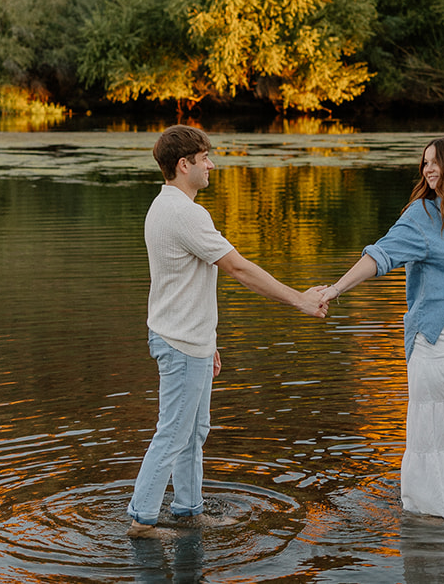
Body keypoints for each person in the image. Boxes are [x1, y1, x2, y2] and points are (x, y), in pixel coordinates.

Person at [126, 124, 329, 538]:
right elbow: (238, 268)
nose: (212, 166)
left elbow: (183, 284)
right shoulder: (185, 213)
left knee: (192, 432)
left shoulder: (164, 206)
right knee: (174, 432)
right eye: (205, 159)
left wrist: (209, 341)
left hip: (187, 339)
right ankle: (142, 520)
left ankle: (188, 509)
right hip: (181, 343)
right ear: (184, 165)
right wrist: (300, 300)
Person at [318, 136, 444, 519]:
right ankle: (433, 517)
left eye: (435, 161)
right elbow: (381, 254)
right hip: (442, 346)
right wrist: (336, 288)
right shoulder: (421, 216)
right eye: (424, 163)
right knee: (437, 437)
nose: (427, 169)